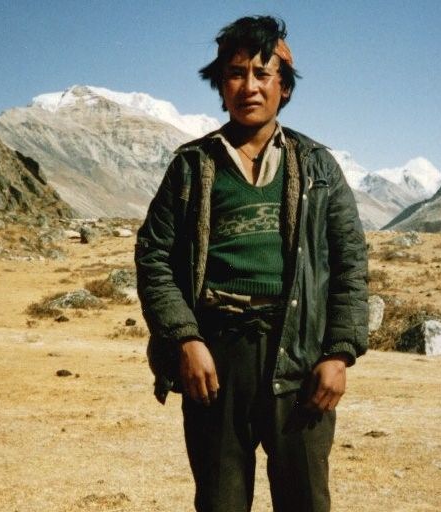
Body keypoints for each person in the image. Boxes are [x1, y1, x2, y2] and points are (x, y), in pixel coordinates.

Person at [135, 15, 368, 512]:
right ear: (221, 86)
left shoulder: (319, 166)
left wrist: (339, 353)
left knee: (304, 500)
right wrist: (186, 339)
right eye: (236, 73)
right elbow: (153, 257)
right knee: (220, 502)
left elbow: (349, 263)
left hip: (300, 356)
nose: (249, 86)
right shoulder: (192, 166)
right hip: (215, 359)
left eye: (263, 74)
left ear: (283, 87)